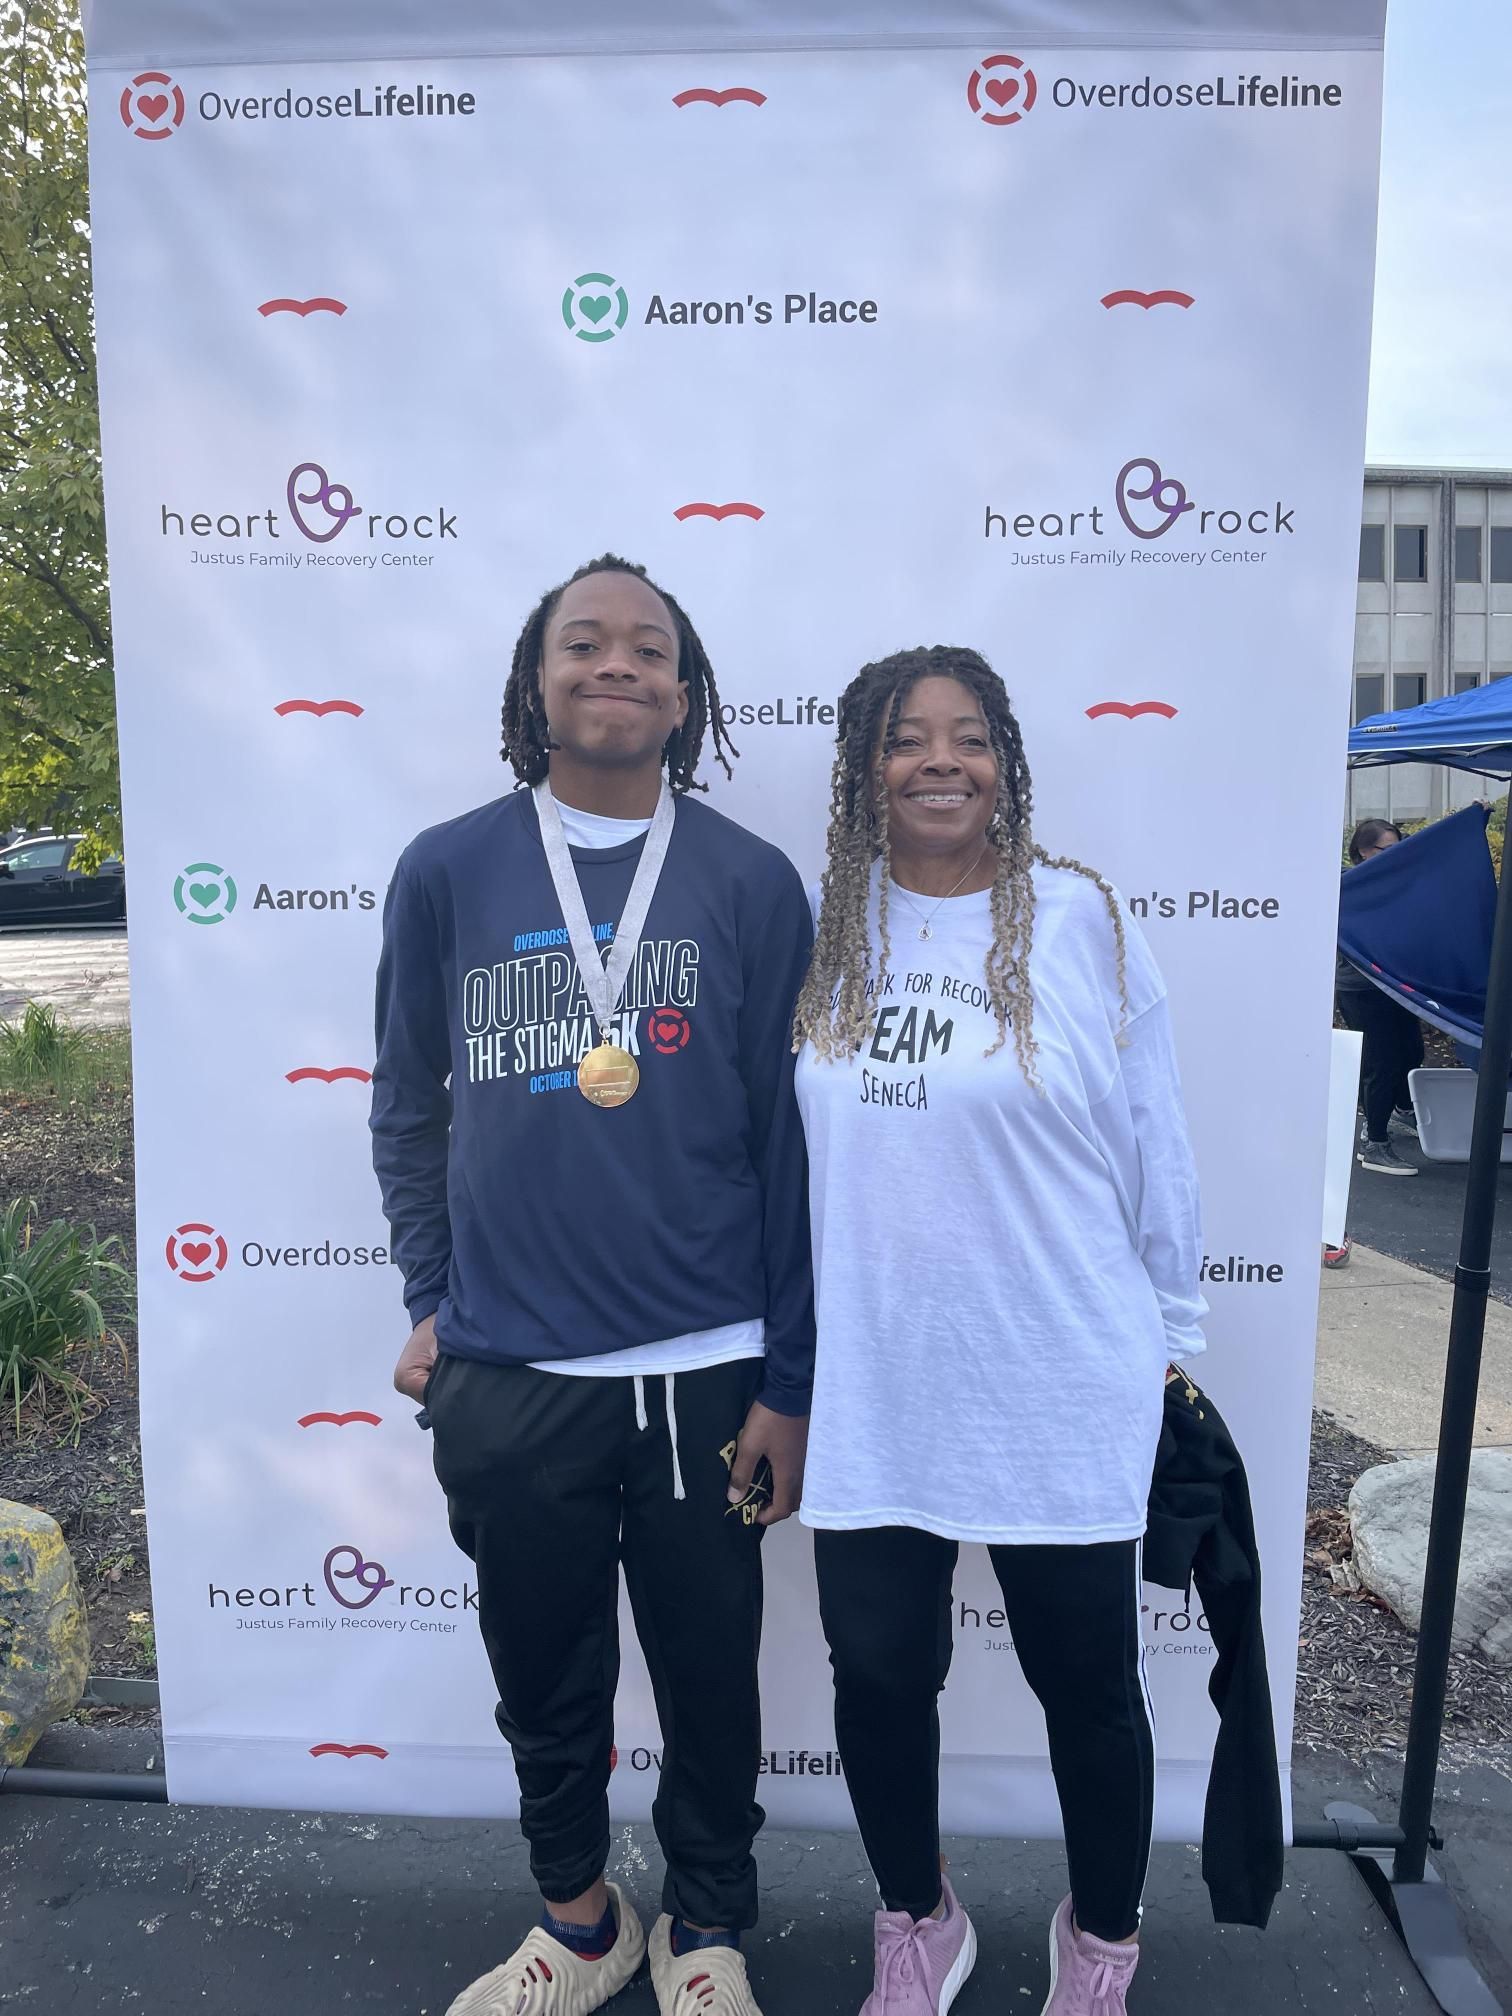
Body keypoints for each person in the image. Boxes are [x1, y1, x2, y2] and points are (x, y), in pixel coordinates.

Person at [370, 554, 815, 2016]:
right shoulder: (448, 867)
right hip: (510, 1374)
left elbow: (788, 1144)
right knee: (542, 1683)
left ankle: (705, 1935)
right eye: (583, 643)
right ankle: (578, 1923)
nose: (614, 664)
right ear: (537, 677)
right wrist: (432, 1297)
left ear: (685, 698)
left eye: (647, 649)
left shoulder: (751, 883)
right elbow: (405, 1107)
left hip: (705, 1373)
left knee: (710, 1688)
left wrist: (788, 1381)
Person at [790, 646, 1207, 2016]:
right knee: (881, 1674)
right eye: (907, 740)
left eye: (970, 737)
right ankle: (918, 1919)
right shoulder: (826, 933)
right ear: (867, 770)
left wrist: (1175, 1326)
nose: (941, 762)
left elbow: (1155, 1137)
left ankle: (1101, 1946)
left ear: (1009, 759)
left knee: (1087, 1682)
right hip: (879, 1379)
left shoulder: (1082, 921)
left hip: (1058, 1375)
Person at [1336, 818, 1422, 1177]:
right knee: (1380, 1063)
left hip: (1395, 986)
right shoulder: (1346, 886)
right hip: (1362, 988)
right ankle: (1375, 1143)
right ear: (1362, 852)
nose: (1394, 856)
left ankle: (1395, 1112)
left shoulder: (1393, 882)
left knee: (1410, 1053)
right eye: (1387, 850)